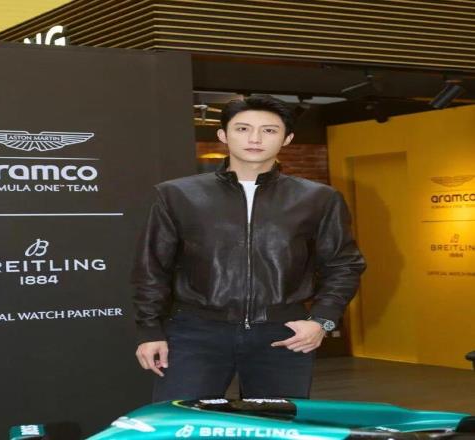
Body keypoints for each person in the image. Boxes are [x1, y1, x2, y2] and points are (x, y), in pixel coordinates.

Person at [130, 94, 366, 402]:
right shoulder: (178, 195)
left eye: (269, 130)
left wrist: (322, 320)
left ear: (287, 138)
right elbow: (151, 267)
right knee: (181, 421)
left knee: (275, 424)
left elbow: (344, 265)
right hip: (195, 332)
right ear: (223, 135)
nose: (255, 138)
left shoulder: (318, 199)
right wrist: (150, 330)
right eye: (242, 129)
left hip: (283, 332)